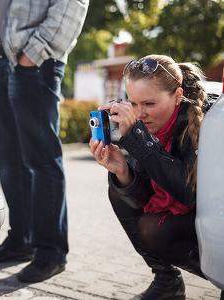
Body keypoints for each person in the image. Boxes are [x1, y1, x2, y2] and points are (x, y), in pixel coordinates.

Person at [90, 54, 223, 300]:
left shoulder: (206, 119)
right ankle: (167, 281)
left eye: (149, 104)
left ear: (178, 95)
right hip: (196, 214)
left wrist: (138, 141)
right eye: (133, 103)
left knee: (156, 230)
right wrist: (122, 171)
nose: (139, 114)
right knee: (119, 190)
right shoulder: (152, 126)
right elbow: (146, 194)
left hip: (216, 214)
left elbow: (191, 192)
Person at [0, 0, 89, 282]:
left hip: (34, 62)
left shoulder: (33, 58)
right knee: (10, 162)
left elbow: (72, 5)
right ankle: (22, 241)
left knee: (41, 161)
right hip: (3, 60)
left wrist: (33, 54)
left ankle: (51, 252)